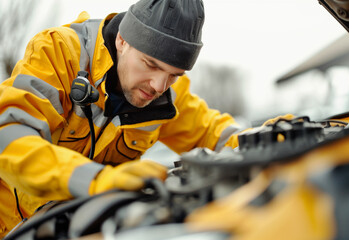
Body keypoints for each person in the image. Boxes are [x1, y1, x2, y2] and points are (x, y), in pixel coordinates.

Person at [0, 0, 245, 236]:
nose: (159, 86)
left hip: (72, 228)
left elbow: (211, 132)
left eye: (174, 75)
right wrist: (96, 180)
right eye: (151, 64)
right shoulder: (59, 52)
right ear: (121, 40)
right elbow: (9, 138)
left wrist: (264, 136)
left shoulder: (169, 93)